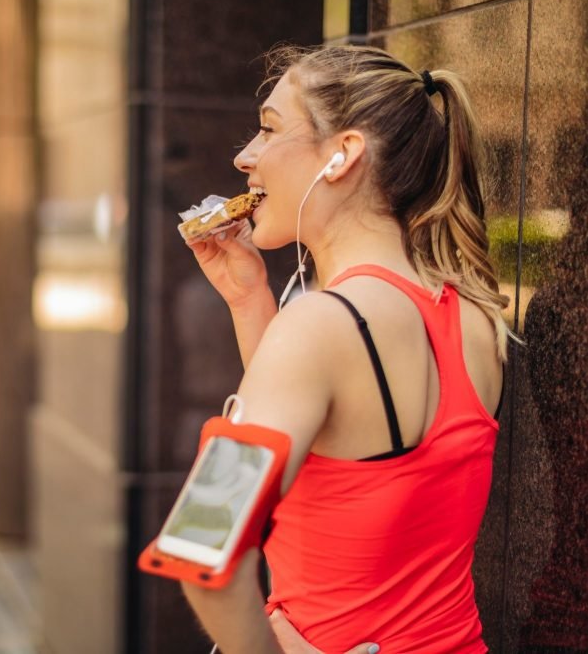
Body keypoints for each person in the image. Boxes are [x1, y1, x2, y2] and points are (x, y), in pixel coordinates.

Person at [179, 44, 508, 653]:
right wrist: (252, 307)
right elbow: (342, 465)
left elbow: (202, 543)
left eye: (269, 128)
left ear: (342, 155)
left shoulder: (318, 329)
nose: (244, 156)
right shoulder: (476, 319)